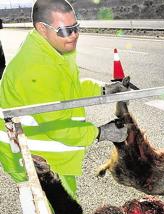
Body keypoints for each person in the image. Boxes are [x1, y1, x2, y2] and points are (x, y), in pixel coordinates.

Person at [0, 0, 130, 202]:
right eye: (65, 30)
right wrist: (101, 133)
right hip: (38, 161)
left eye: (76, 27)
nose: (74, 35)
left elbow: (68, 89)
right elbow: (59, 128)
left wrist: (103, 89)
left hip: (50, 154)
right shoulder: (36, 68)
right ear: (42, 29)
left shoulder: (51, 49)